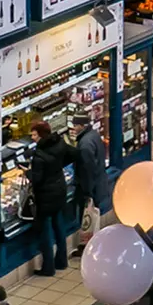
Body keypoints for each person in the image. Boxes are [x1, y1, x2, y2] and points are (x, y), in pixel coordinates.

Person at [26, 121, 78, 276]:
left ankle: (48, 267)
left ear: (41, 135)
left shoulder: (39, 155)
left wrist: (27, 173)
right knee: (59, 226)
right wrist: (58, 167)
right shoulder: (59, 143)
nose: (32, 138)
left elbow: (37, 179)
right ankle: (61, 261)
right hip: (60, 190)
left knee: (45, 232)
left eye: (34, 135)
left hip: (45, 197)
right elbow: (75, 153)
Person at [72, 113, 109, 253]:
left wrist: (88, 193)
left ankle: (88, 248)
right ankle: (90, 245)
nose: (73, 128)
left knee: (87, 220)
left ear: (82, 126)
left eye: (75, 125)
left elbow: (87, 171)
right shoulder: (93, 135)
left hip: (90, 188)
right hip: (99, 183)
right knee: (92, 219)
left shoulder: (85, 145)